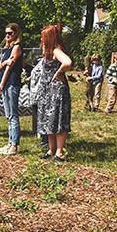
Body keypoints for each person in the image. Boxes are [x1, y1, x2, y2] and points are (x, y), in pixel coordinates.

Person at [35, 26, 73, 161]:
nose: (41, 39)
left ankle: (59, 152)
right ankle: (51, 151)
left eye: (44, 36)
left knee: (58, 119)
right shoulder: (49, 52)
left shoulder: (56, 51)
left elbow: (68, 62)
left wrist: (59, 73)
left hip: (57, 91)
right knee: (49, 120)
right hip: (47, 91)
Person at [0, 23, 24, 155]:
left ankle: (14, 145)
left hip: (11, 83)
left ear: (16, 34)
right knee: (8, 115)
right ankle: (9, 142)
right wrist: (5, 62)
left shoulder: (17, 48)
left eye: (10, 33)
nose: (7, 36)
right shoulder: (7, 50)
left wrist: (0, 86)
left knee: (12, 115)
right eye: (6, 33)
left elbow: (7, 69)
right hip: (6, 84)